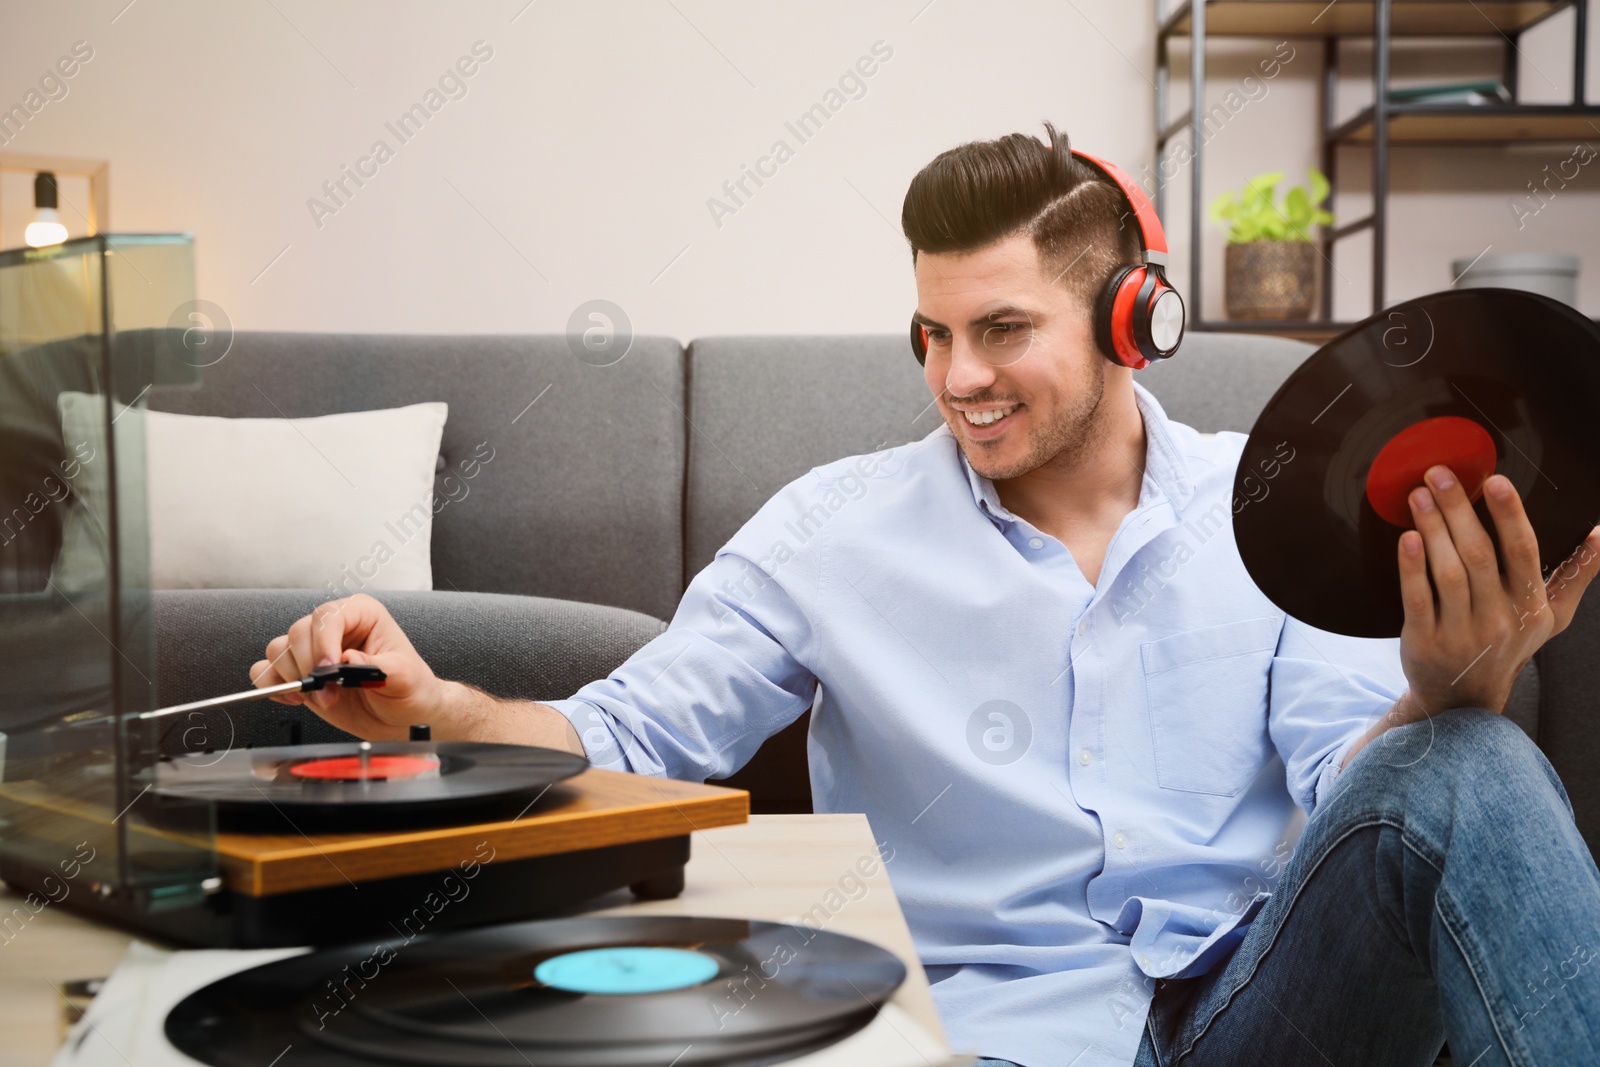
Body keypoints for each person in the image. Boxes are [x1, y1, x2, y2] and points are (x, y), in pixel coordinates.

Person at [252, 123, 1600, 1067]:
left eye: (1004, 329)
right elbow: (628, 738)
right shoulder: (829, 532)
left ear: (1135, 320)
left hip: (1269, 1008)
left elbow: (1353, 800)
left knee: (1471, 759)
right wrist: (436, 710)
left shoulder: (1274, 509)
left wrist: (1446, 690)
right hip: (996, 1031)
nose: (960, 376)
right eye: (934, 335)